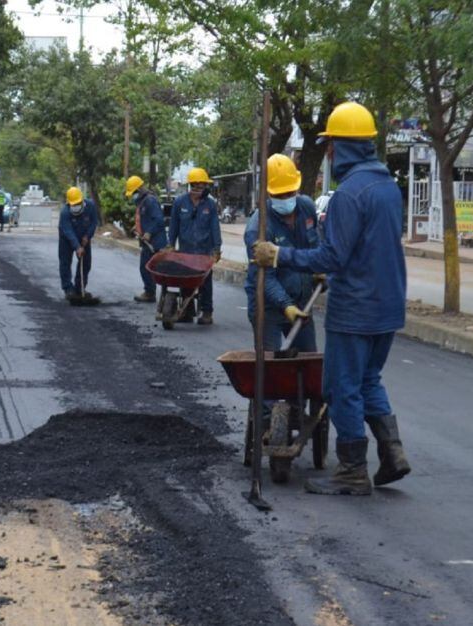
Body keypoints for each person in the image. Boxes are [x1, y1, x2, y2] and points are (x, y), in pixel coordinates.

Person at [253, 102, 411, 496]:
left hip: (356, 308)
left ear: (343, 146)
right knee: (369, 379)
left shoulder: (348, 195)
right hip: (389, 303)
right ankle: (392, 454)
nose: (327, 152)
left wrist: (280, 255)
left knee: (342, 387)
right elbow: (365, 247)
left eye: (330, 145)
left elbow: (333, 256)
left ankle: (353, 470)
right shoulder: (388, 187)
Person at [245, 154, 320, 354]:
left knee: (307, 360)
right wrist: (286, 305)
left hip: (302, 302)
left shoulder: (306, 208)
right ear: (268, 192)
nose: (286, 199)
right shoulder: (258, 227)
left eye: (290, 192)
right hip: (267, 308)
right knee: (270, 365)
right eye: (280, 195)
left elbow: (315, 247)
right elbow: (264, 277)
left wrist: (319, 271)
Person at [168, 167, 222, 325]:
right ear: (191, 185)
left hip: (204, 252)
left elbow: (215, 228)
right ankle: (187, 311)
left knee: (205, 282)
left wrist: (216, 249)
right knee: (186, 281)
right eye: (196, 186)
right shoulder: (180, 202)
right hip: (186, 251)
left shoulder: (210, 205)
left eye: (203, 186)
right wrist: (170, 244)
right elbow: (173, 226)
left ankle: (207, 312)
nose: (200, 189)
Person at [127, 175, 167, 302]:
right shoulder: (142, 202)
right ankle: (151, 292)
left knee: (148, 268)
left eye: (133, 193)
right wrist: (137, 227)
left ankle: (151, 293)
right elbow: (146, 218)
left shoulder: (150, 201)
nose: (133, 196)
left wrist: (149, 232)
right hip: (147, 242)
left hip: (155, 242)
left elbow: (159, 220)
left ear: (139, 190)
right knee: (146, 267)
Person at [58, 186, 98, 300]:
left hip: (84, 237)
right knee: (65, 262)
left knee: (85, 262)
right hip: (67, 239)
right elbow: (68, 231)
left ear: (82, 200)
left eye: (78, 203)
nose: (76, 206)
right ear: (69, 203)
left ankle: (80, 288)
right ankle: (68, 289)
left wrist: (87, 236)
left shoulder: (90, 206)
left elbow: (94, 222)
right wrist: (77, 247)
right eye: (73, 204)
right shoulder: (65, 213)